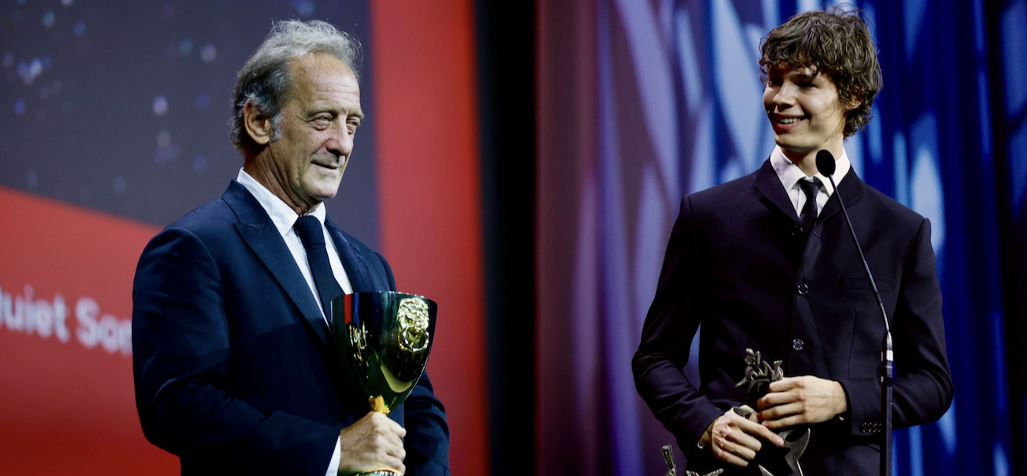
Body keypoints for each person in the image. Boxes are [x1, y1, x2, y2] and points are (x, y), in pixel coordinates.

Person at [632, 7, 952, 475]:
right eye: (773, 80)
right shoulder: (708, 215)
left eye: (803, 83)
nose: (779, 98)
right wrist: (704, 424)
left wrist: (843, 398)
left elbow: (933, 384)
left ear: (852, 95)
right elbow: (655, 357)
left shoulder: (900, 231)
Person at [131, 20, 449, 475]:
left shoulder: (371, 265)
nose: (342, 144)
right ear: (259, 122)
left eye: (352, 124)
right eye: (323, 119)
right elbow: (178, 403)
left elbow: (417, 408)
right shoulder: (194, 249)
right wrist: (333, 453)